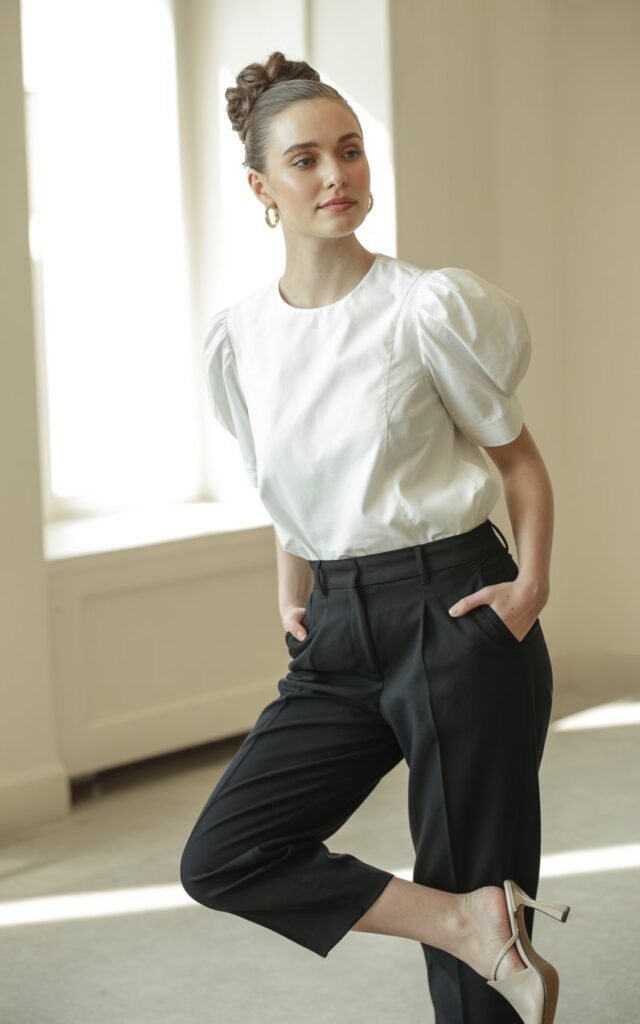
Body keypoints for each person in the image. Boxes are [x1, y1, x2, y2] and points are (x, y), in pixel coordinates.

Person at [180, 50, 571, 1024]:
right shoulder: (239, 338)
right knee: (225, 852)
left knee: (473, 891)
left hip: (455, 604)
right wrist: (291, 593)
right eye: (305, 160)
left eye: (349, 152)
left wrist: (528, 589)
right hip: (336, 628)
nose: (336, 177)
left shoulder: (424, 307)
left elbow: (518, 462)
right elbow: (286, 489)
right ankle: (465, 920)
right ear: (259, 186)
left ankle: (480, 927)